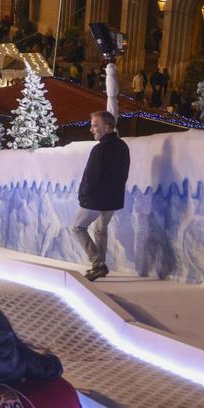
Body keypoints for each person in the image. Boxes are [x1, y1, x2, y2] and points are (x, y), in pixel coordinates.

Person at [72, 110, 130, 281]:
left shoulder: (100, 149)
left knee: (78, 227)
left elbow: (91, 176)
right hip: (113, 199)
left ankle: (98, 264)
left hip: (97, 199)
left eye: (95, 125)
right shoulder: (122, 147)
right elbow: (124, 174)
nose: (92, 129)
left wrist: (83, 195)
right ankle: (99, 267)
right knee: (100, 231)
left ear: (107, 127)